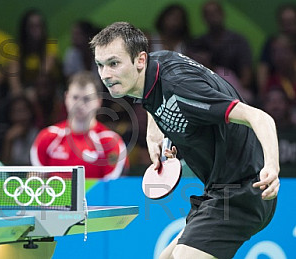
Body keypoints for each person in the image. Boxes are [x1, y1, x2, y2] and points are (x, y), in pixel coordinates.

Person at [90, 22, 279, 259]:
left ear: (139, 60)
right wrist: (154, 130)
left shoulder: (181, 87)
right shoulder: (153, 68)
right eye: (100, 65)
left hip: (245, 190)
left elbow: (259, 117)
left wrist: (272, 166)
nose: (106, 74)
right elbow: (153, 93)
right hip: (217, 189)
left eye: (114, 63)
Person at [30, 71, 127, 179]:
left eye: (86, 99)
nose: (80, 105)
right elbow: (36, 184)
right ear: (66, 97)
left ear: (99, 101)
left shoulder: (111, 142)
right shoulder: (46, 137)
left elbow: (112, 188)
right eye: (75, 97)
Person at [196, 0, 253, 91]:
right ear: (204, 18)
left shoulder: (238, 41)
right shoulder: (198, 44)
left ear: (223, 14)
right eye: (208, 14)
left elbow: (246, 77)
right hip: (206, 90)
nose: (213, 17)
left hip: (236, 90)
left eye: (215, 12)